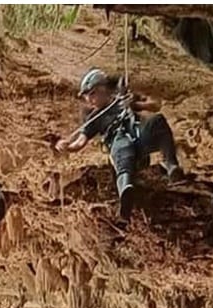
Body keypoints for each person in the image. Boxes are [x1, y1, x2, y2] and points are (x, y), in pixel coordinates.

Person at [55, 68, 184, 220]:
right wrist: (67, 147)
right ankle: (125, 194)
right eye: (86, 96)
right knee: (124, 150)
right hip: (118, 141)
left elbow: (156, 105)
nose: (89, 99)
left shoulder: (122, 98)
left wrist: (138, 105)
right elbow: (80, 142)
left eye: (92, 93)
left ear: (102, 88)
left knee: (158, 121)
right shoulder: (94, 118)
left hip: (137, 136)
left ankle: (171, 165)